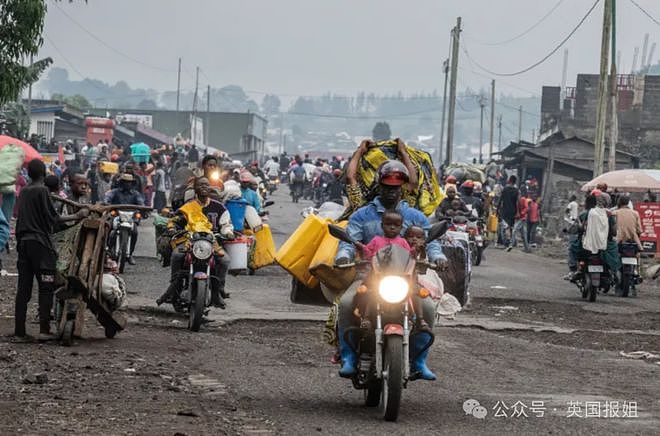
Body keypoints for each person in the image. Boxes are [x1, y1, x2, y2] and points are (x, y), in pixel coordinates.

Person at [335, 160, 447, 380]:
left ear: (402, 188)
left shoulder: (416, 216)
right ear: (379, 185)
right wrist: (343, 256)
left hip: (406, 279)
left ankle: (418, 360)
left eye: (396, 187)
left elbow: (431, 242)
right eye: (387, 186)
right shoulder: (362, 215)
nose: (391, 192)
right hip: (369, 277)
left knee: (428, 307)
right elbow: (349, 241)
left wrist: (439, 257)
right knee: (347, 303)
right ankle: (349, 357)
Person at [14, 159, 88, 340]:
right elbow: (53, 218)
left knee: (23, 289)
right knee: (46, 286)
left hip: (23, 244)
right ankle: (44, 331)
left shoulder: (23, 192)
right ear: (44, 174)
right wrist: (77, 215)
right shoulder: (42, 191)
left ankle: (19, 332)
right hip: (40, 245)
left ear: (29, 174)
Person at [157, 177, 233, 308]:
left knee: (224, 260)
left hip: (211, 242)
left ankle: (217, 292)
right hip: (190, 241)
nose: (204, 187)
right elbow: (175, 220)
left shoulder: (219, 207)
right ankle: (175, 288)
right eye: (200, 185)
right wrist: (172, 228)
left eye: (206, 185)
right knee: (177, 255)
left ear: (210, 188)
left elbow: (226, 224)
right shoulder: (188, 207)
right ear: (195, 189)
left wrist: (227, 232)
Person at [104, 174, 145, 265]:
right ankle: (107, 250)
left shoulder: (135, 194)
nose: (127, 184)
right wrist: (107, 203)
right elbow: (107, 198)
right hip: (117, 216)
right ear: (121, 183)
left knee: (134, 232)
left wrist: (142, 208)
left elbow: (141, 203)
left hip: (130, 218)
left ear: (132, 183)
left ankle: (129, 254)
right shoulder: (114, 192)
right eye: (125, 182)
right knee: (108, 228)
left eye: (129, 182)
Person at [498, 175, 519, 248]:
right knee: (510, 227)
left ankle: (506, 242)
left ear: (509, 180)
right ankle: (510, 241)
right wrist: (517, 212)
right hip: (513, 211)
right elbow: (517, 202)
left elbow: (500, 200)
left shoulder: (505, 189)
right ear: (515, 182)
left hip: (505, 211)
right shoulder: (516, 191)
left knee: (505, 227)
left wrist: (497, 209)